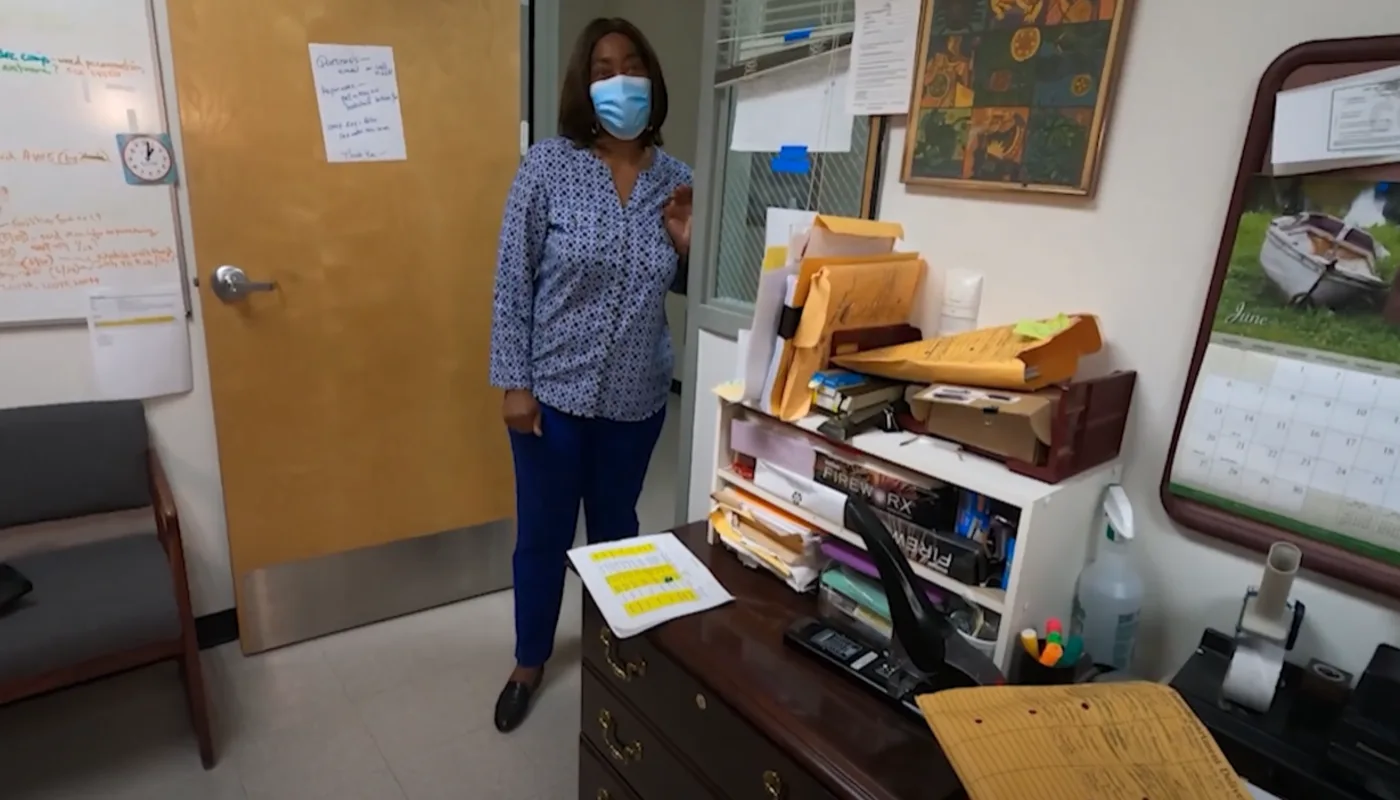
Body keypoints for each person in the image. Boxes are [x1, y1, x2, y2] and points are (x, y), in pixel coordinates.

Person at [487, 16, 693, 733]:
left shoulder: (677, 180)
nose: (620, 80)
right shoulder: (548, 166)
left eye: (632, 66)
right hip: (552, 397)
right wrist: (514, 383)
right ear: (585, 83)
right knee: (543, 537)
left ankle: (613, 651)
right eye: (604, 69)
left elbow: (685, 285)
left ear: (652, 79)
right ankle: (529, 660)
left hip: (637, 400)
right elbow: (512, 280)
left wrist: (689, 246)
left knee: (616, 533)